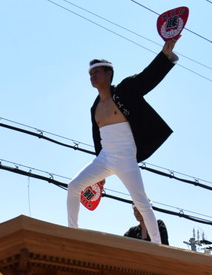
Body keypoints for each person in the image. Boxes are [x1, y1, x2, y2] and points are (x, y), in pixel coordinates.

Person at [65, 39, 180, 242]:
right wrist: (100, 176)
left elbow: (147, 77)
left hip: (126, 157)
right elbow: (99, 140)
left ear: (109, 74)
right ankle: (72, 233)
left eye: (96, 72)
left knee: (141, 202)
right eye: (90, 74)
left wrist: (165, 53)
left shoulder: (125, 90)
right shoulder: (94, 108)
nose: (92, 76)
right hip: (105, 159)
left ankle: (157, 245)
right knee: (74, 186)